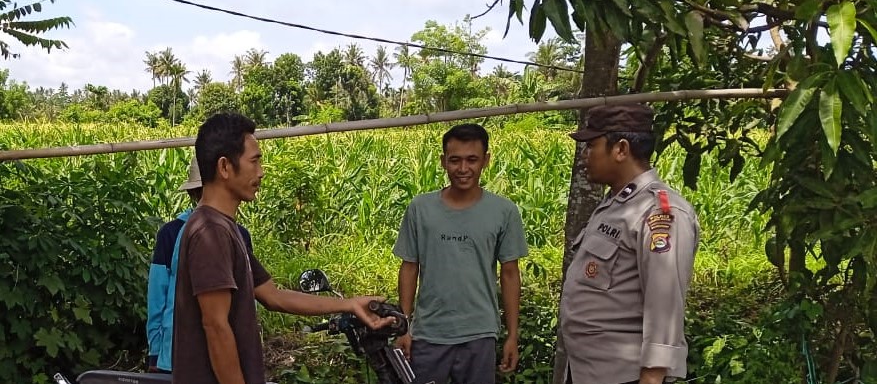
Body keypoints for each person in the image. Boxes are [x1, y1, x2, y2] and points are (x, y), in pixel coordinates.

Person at [172, 113, 392, 384]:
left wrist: (348, 304)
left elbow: (273, 295)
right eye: (254, 161)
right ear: (225, 167)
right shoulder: (211, 232)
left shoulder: (224, 228)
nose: (260, 171)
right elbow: (216, 326)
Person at [558, 104, 700, 384]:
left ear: (621, 149)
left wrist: (652, 377)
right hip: (590, 370)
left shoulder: (659, 212)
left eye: (592, 145)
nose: (585, 156)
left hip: (625, 376)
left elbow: (665, 302)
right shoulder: (615, 204)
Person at [393, 123, 529, 384]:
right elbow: (409, 267)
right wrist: (404, 326)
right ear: (443, 161)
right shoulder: (420, 209)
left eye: (472, 160)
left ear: (486, 161)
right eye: (455, 160)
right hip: (428, 333)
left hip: (479, 333)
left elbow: (510, 274)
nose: (463, 169)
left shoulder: (504, 212)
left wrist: (512, 335)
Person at [146, 155, 255, 373]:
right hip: (179, 353)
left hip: (209, 351)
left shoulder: (239, 235)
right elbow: (157, 296)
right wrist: (155, 353)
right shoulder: (171, 233)